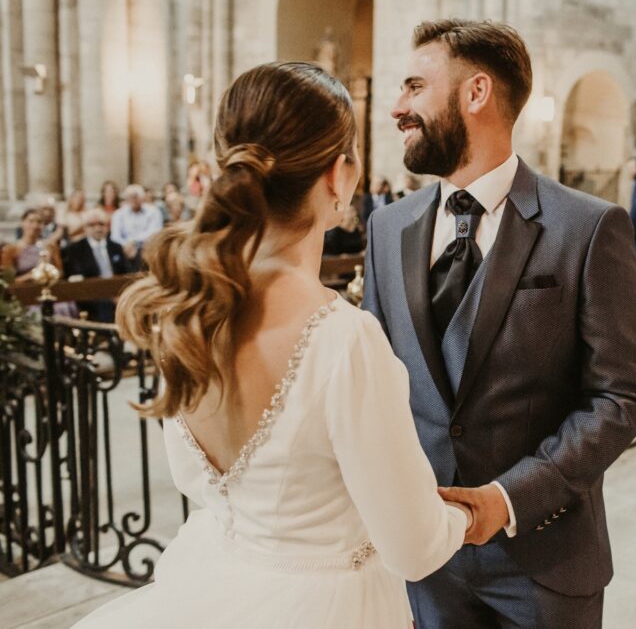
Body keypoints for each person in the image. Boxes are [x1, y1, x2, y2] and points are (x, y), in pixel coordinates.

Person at [74, 62, 469, 628]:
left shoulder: (185, 311)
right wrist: (467, 515)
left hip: (212, 585)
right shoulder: (342, 339)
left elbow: (198, 483)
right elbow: (414, 548)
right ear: (339, 175)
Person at [363, 19, 636, 627]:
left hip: (544, 564)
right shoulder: (386, 230)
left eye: (415, 86)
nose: (397, 107)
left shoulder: (588, 227)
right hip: (425, 564)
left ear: (476, 93)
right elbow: (375, 385)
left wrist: (507, 500)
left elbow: (621, 397)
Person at [61, 209, 131, 322]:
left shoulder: (116, 247)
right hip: (90, 295)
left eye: (101, 224)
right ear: (84, 228)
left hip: (118, 292)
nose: (98, 228)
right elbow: (76, 278)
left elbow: (127, 273)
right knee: (104, 304)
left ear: (108, 227)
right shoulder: (74, 250)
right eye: (92, 225)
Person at [109, 184, 163, 269]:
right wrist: (126, 245)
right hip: (124, 250)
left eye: (135, 196)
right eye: (129, 197)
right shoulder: (118, 214)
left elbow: (155, 232)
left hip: (146, 248)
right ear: (126, 199)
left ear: (142, 198)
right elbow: (115, 236)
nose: (133, 200)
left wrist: (134, 242)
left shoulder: (154, 211)